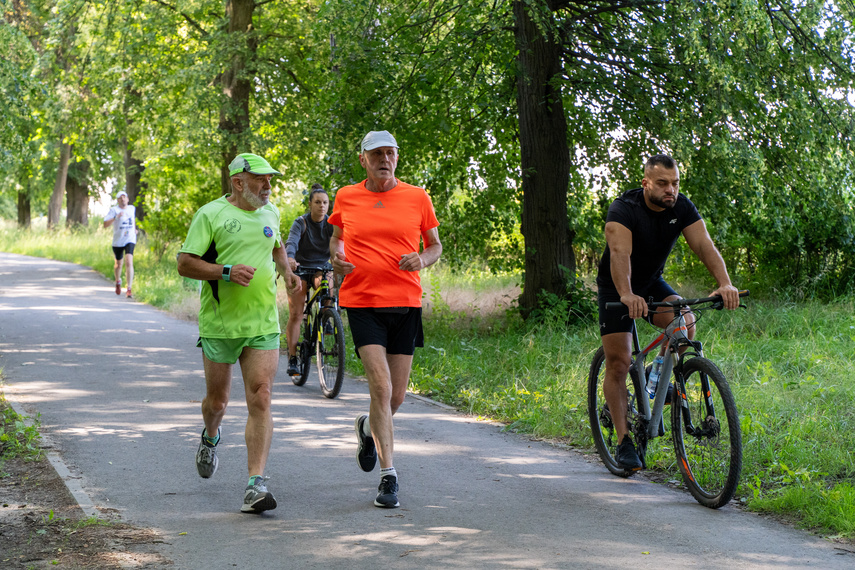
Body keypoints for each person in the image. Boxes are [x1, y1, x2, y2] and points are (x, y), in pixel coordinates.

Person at [596, 154, 740, 471]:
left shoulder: (681, 207)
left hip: (650, 282)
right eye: (662, 183)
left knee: (684, 322)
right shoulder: (624, 208)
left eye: (674, 183)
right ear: (646, 182)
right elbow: (620, 253)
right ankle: (624, 442)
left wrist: (725, 284)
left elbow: (704, 244)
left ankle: (654, 379)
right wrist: (626, 294)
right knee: (619, 362)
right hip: (617, 286)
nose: (670, 190)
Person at [177, 152, 299, 514]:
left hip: (262, 323)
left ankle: (255, 485)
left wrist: (287, 271)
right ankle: (210, 436)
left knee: (261, 396)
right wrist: (225, 272)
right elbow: (185, 262)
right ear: (238, 182)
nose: (268, 185)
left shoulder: (271, 212)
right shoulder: (211, 214)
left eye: (270, 179)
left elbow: (275, 244)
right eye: (260, 179)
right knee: (217, 403)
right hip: (220, 325)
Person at [329, 130, 442, 508]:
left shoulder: (417, 196)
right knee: (380, 386)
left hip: (406, 302)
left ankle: (366, 426)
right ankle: (389, 476)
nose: (384, 159)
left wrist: (421, 259)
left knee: (395, 397)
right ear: (363, 159)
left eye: (390, 153)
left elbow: (435, 245)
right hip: (361, 300)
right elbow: (336, 239)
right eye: (377, 153)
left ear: (397, 158)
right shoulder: (347, 196)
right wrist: (337, 259)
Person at [284, 184, 336, 376]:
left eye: (325, 202)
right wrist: (290, 258)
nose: (322, 206)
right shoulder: (301, 223)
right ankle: (292, 358)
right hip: (300, 267)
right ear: (310, 204)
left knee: (327, 282)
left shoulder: (332, 224)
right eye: (317, 202)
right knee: (297, 313)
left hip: (320, 268)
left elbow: (340, 244)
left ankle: (328, 316)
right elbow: (292, 242)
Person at [103, 190, 137, 298]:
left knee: (129, 262)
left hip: (130, 239)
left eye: (124, 197)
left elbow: (132, 220)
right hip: (118, 241)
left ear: (127, 199)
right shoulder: (114, 210)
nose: (123, 199)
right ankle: (118, 282)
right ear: (117, 200)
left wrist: (134, 229)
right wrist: (115, 217)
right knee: (118, 264)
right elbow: (105, 224)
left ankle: (129, 288)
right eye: (120, 198)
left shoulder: (132, 209)